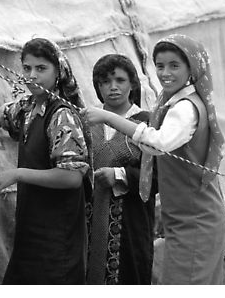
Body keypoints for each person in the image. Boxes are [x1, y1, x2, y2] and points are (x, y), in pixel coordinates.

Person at [86, 34, 225, 284]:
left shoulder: (182, 109)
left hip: (192, 216)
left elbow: (158, 144)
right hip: (181, 215)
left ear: (191, 67)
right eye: (159, 66)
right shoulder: (170, 104)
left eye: (174, 65)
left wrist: (110, 119)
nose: (165, 73)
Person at [0, 37, 91, 285]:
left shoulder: (61, 115)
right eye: (27, 68)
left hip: (57, 230)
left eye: (41, 69)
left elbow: (72, 177)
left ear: (58, 72)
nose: (32, 76)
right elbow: (1, 114)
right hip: (32, 225)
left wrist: (18, 174)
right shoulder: (29, 108)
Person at [86, 54, 155, 285]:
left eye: (120, 80)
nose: (112, 87)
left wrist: (118, 175)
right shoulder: (88, 121)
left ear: (133, 83)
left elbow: (158, 176)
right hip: (87, 219)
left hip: (130, 221)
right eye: (105, 81)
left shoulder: (147, 123)